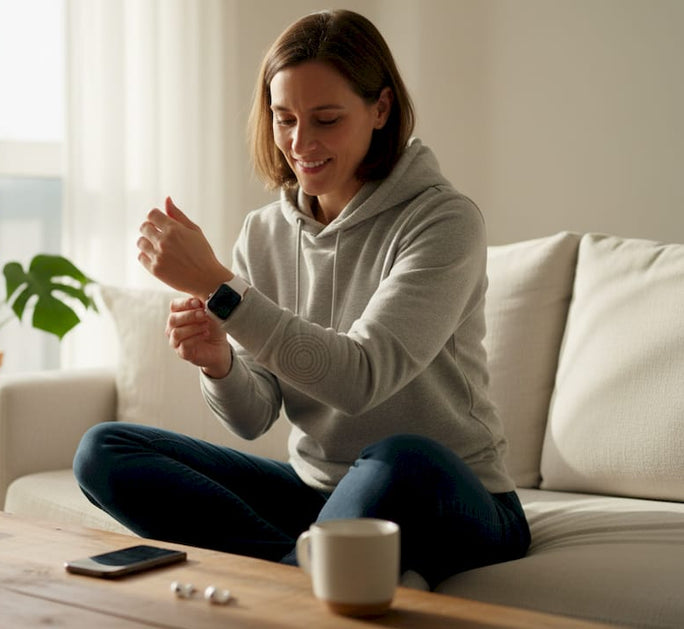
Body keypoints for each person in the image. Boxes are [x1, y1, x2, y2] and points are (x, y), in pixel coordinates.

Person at [72, 9, 530, 588]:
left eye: (326, 119)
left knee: (402, 458)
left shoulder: (444, 221)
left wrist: (223, 289)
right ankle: (302, 572)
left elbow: (359, 380)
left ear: (381, 109)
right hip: (316, 493)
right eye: (284, 119)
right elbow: (255, 415)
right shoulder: (264, 233)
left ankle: (292, 579)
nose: (299, 143)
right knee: (105, 450)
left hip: (450, 496)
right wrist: (220, 364)